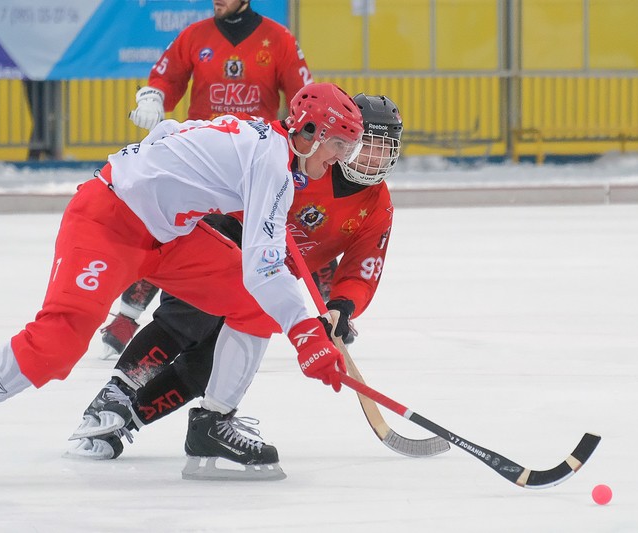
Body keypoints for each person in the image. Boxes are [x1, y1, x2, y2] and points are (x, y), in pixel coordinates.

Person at [0, 82, 362, 481]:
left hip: (169, 234)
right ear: (307, 131)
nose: (340, 159)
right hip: (108, 222)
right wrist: (306, 334)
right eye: (338, 145)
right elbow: (264, 266)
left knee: (253, 304)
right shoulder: (272, 163)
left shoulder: (262, 142)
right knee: (59, 340)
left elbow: (170, 133)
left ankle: (213, 423)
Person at [67, 94, 403, 471]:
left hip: (272, 277)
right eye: (366, 146)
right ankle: (115, 395)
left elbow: (362, 269)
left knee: (205, 368)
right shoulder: (303, 162)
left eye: (383, 149)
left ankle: (131, 421)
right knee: (186, 319)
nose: (373, 159)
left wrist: (342, 306)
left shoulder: (377, 206)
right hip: (228, 237)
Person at [101, 0, 314, 358]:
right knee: (169, 233)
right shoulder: (194, 35)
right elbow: (165, 79)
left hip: (252, 167)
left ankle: (329, 307)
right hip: (199, 165)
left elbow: (302, 98)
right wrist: (154, 97)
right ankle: (126, 316)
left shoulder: (278, 39)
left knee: (284, 233)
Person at [23, 80, 57, 161]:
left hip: (47, 78)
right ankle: (44, 152)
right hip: (35, 79)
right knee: (41, 117)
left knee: (45, 117)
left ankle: (43, 152)